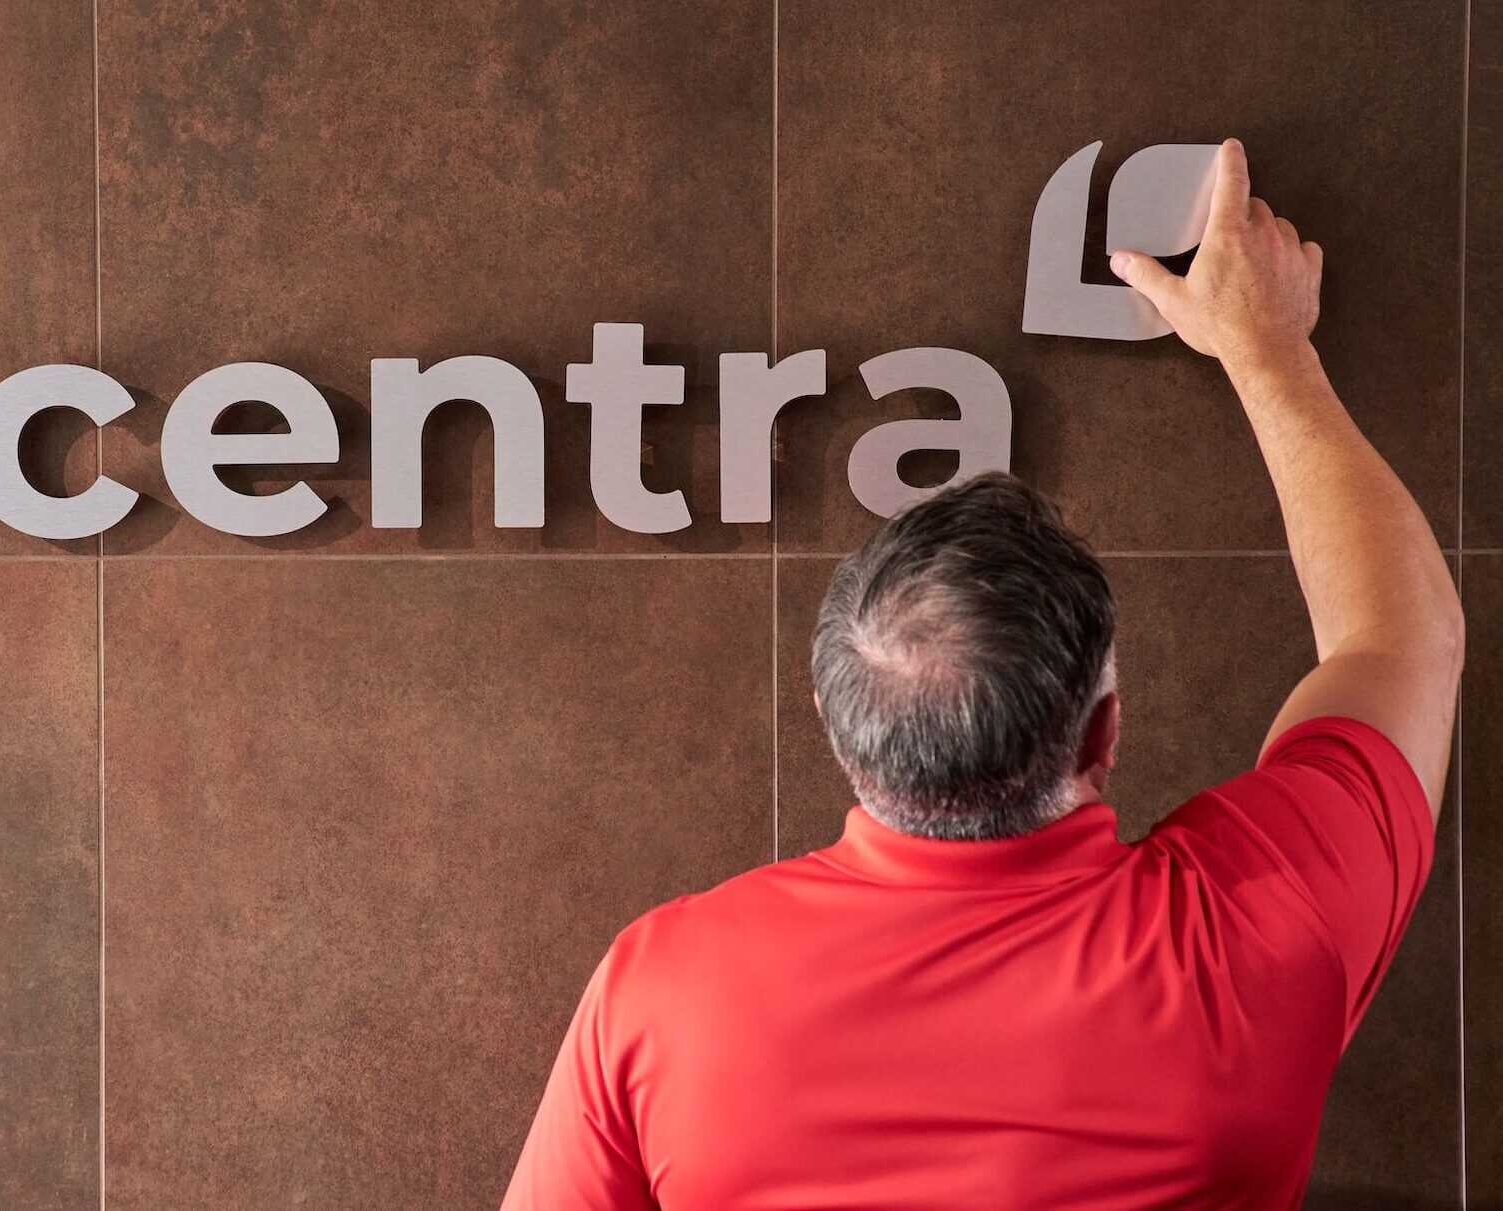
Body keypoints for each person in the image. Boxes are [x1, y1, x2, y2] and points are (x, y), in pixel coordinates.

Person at [499, 139, 1463, 1209]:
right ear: (1101, 730)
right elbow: (1398, 643)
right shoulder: (1257, 927)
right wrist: (1268, 351)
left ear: (833, 718)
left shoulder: (660, 988)